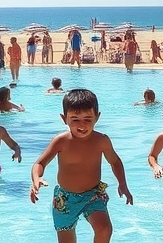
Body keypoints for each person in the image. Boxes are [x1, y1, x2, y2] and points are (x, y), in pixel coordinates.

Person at [30, 89, 133, 241]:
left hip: (93, 194)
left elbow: (115, 161)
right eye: (75, 119)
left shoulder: (101, 141)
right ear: (64, 118)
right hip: (64, 198)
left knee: (105, 229)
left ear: (97, 118)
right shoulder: (61, 141)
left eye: (88, 119)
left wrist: (122, 183)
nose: (82, 125)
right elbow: (40, 163)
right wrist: (36, 179)